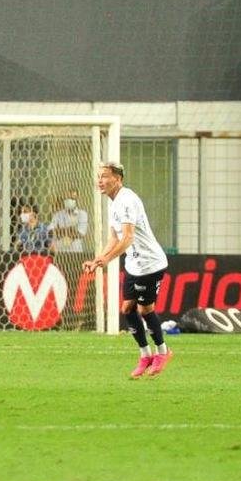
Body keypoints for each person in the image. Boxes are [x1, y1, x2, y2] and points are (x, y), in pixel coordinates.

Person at [83, 162, 172, 378]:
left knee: (144, 310)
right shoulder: (113, 204)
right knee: (127, 309)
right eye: (98, 177)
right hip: (134, 264)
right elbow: (114, 238)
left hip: (150, 264)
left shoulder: (127, 200)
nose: (100, 181)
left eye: (104, 176)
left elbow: (128, 237)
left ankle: (163, 352)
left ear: (118, 178)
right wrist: (98, 259)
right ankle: (145, 355)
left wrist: (108, 260)